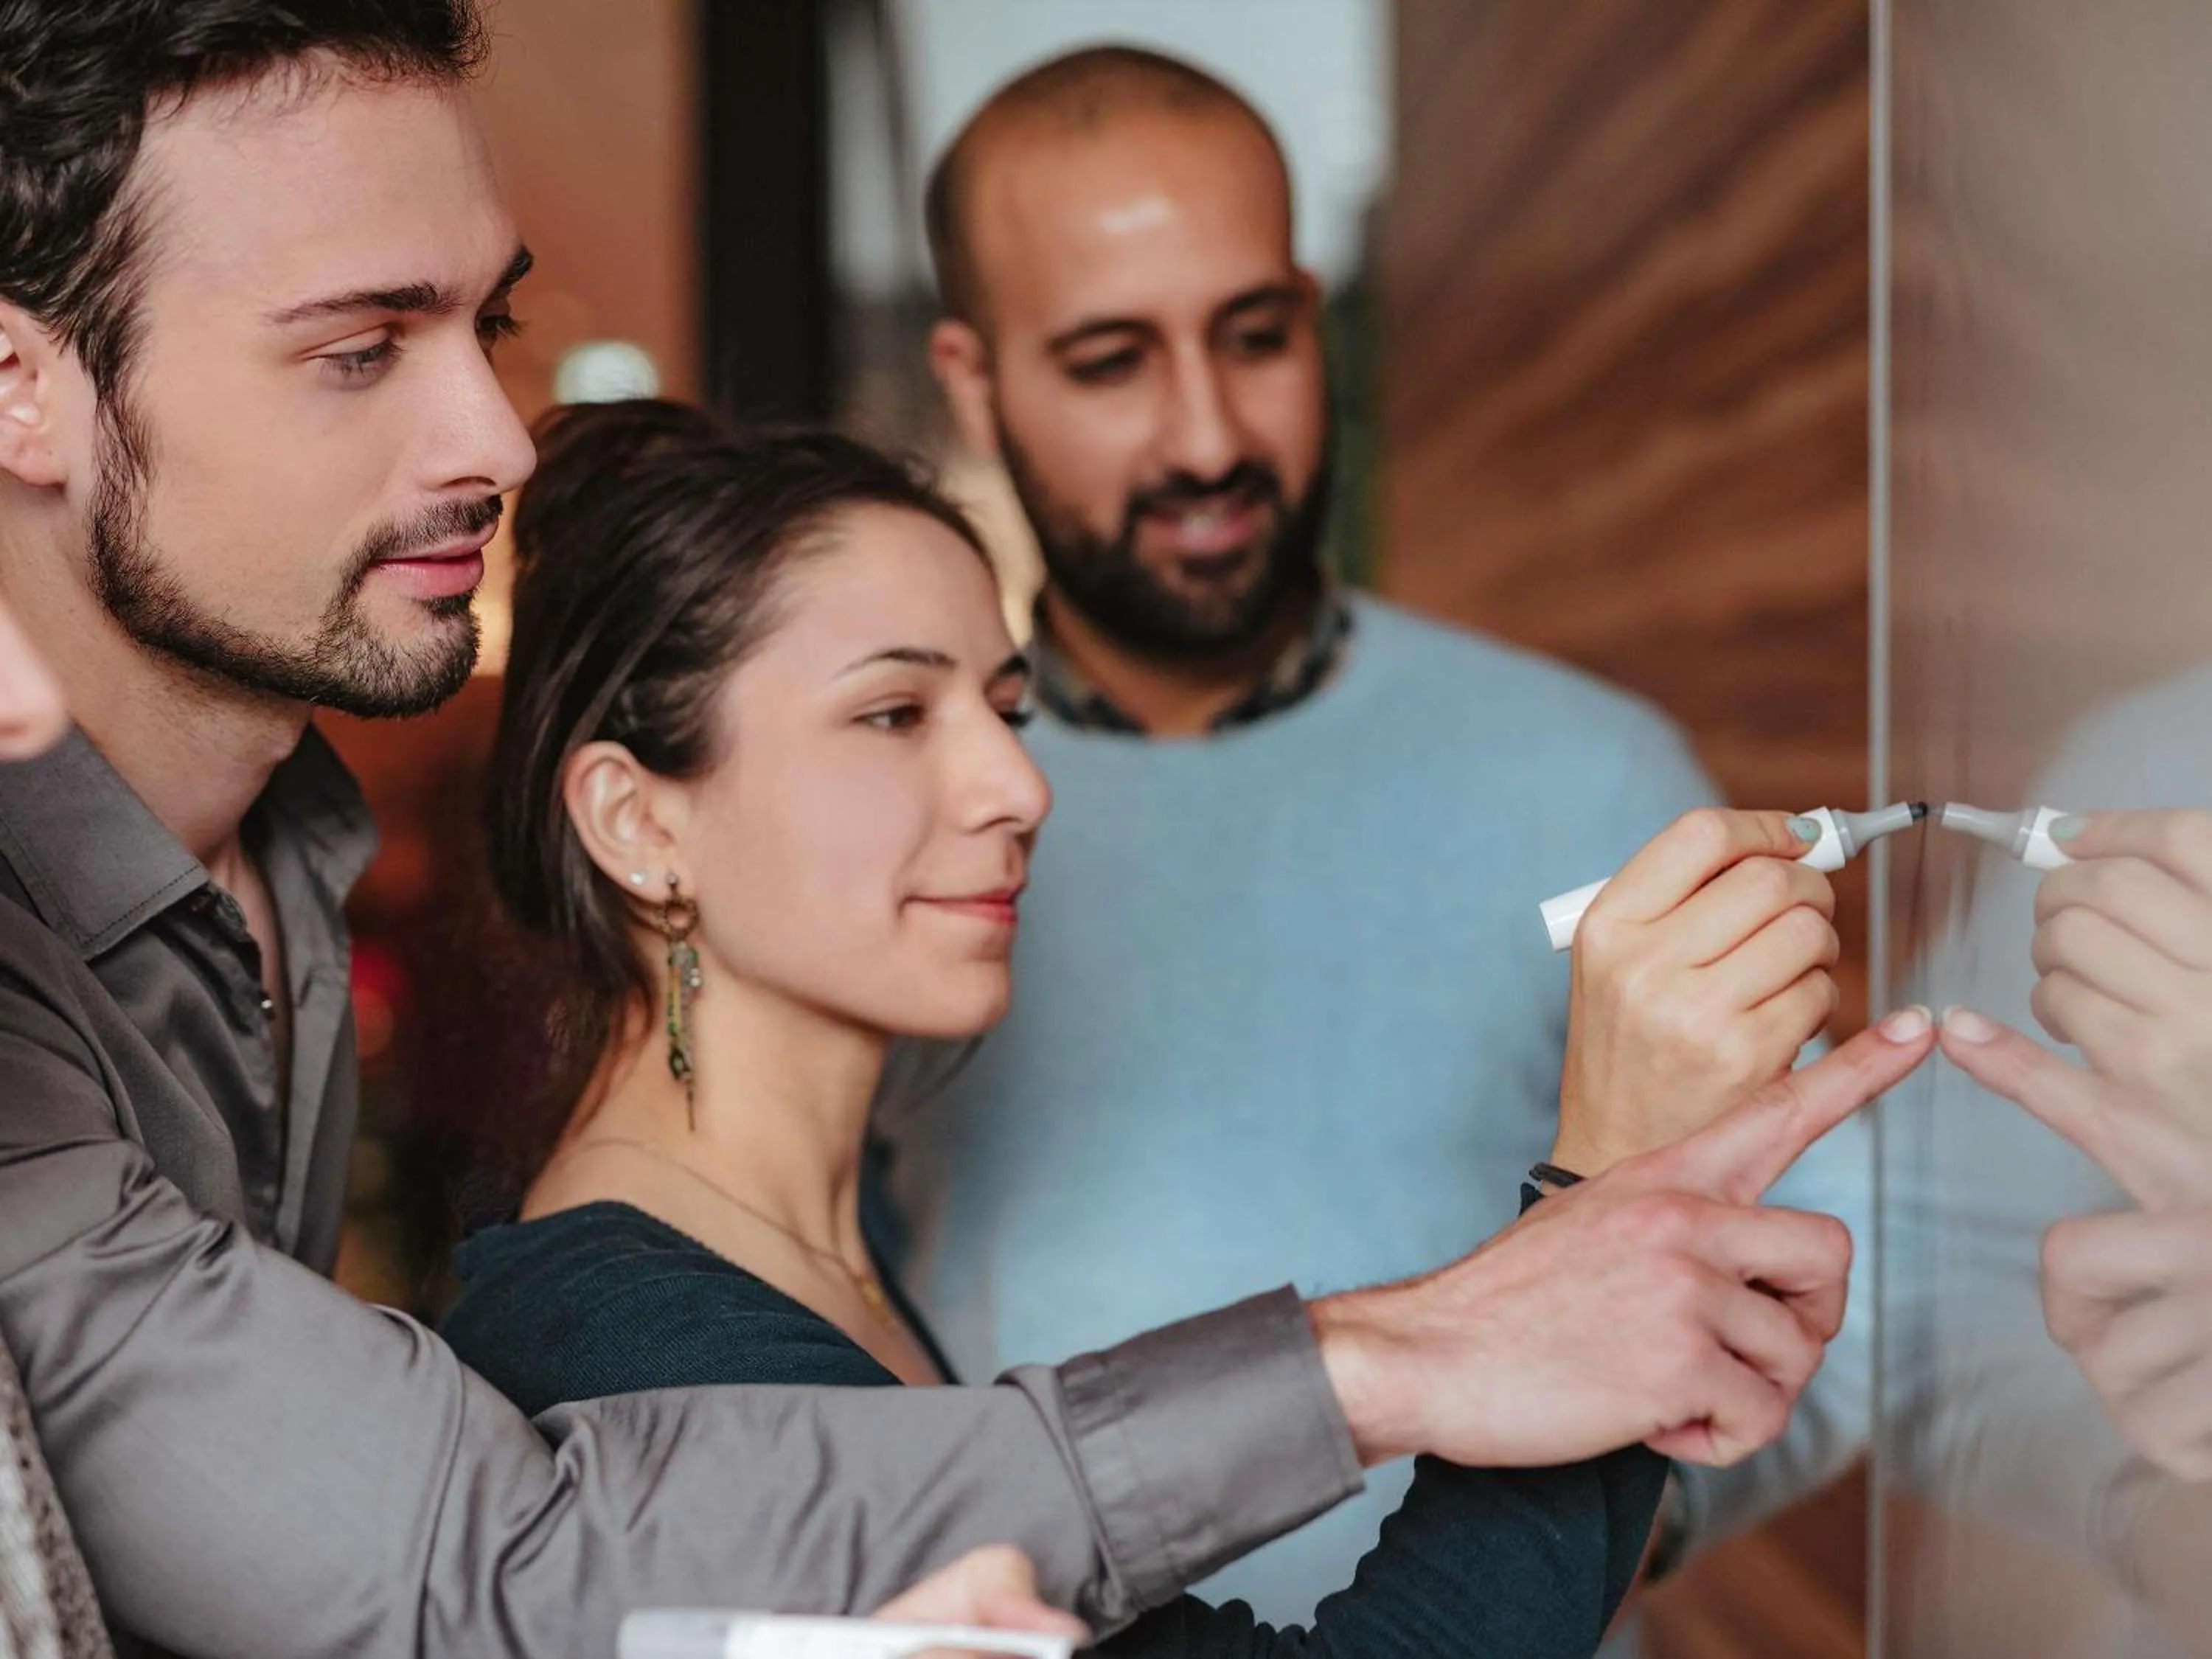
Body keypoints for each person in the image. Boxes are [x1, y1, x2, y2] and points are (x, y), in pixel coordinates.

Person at [0, 5, 1924, 1655]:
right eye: (359, 347)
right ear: (634, 821)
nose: (494, 438)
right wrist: (1483, 1308)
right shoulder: (618, 1300)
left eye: (1001, 704)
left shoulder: (273, 876)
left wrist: (1560, 1314)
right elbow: (479, 1551)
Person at [438, 397, 1935, 1656]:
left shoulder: (838, 1261)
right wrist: (1617, 1170)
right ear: (638, 822)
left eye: (1006, 710)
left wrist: (1619, 1221)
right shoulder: (630, 1346)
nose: (1016, 790)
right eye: (895, 715)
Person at [880, 43, 1874, 1622]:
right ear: (973, 381)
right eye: (1109, 361)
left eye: (1256, 337)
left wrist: (1590, 1533)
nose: (1205, 438)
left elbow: (1843, 1274)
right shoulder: (890, 829)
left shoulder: (1591, 775)